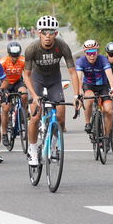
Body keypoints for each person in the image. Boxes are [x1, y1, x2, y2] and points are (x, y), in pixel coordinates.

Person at [23, 15, 82, 167]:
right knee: (35, 117)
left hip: (54, 81)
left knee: (60, 119)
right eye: (44, 32)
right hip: (37, 80)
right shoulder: (32, 49)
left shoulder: (62, 46)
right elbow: (26, 75)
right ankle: (33, 150)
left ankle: (53, 145)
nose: (48, 36)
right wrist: (34, 96)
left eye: (51, 32)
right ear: (38, 33)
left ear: (56, 34)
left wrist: (77, 95)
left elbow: (73, 72)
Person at [76, 40, 113, 142]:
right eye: (89, 53)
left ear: (97, 52)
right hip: (89, 85)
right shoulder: (81, 61)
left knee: (109, 110)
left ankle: (107, 137)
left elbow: (109, 74)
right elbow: (79, 78)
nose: (92, 56)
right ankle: (87, 123)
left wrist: (112, 88)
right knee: (89, 98)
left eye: (94, 52)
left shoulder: (103, 60)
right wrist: (79, 93)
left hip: (103, 86)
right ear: (85, 53)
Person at [0, 41, 28, 147]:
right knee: (6, 109)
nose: (15, 58)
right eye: (12, 56)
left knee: (24, 94)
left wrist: (28, 84)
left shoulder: (23, 60)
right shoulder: (3, 62)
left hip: (17, 82)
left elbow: (27, 74)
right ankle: (4, 134)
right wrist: (1, 90)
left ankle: (23, 113)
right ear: (8, 54)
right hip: (5, 83)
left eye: (17, 56)